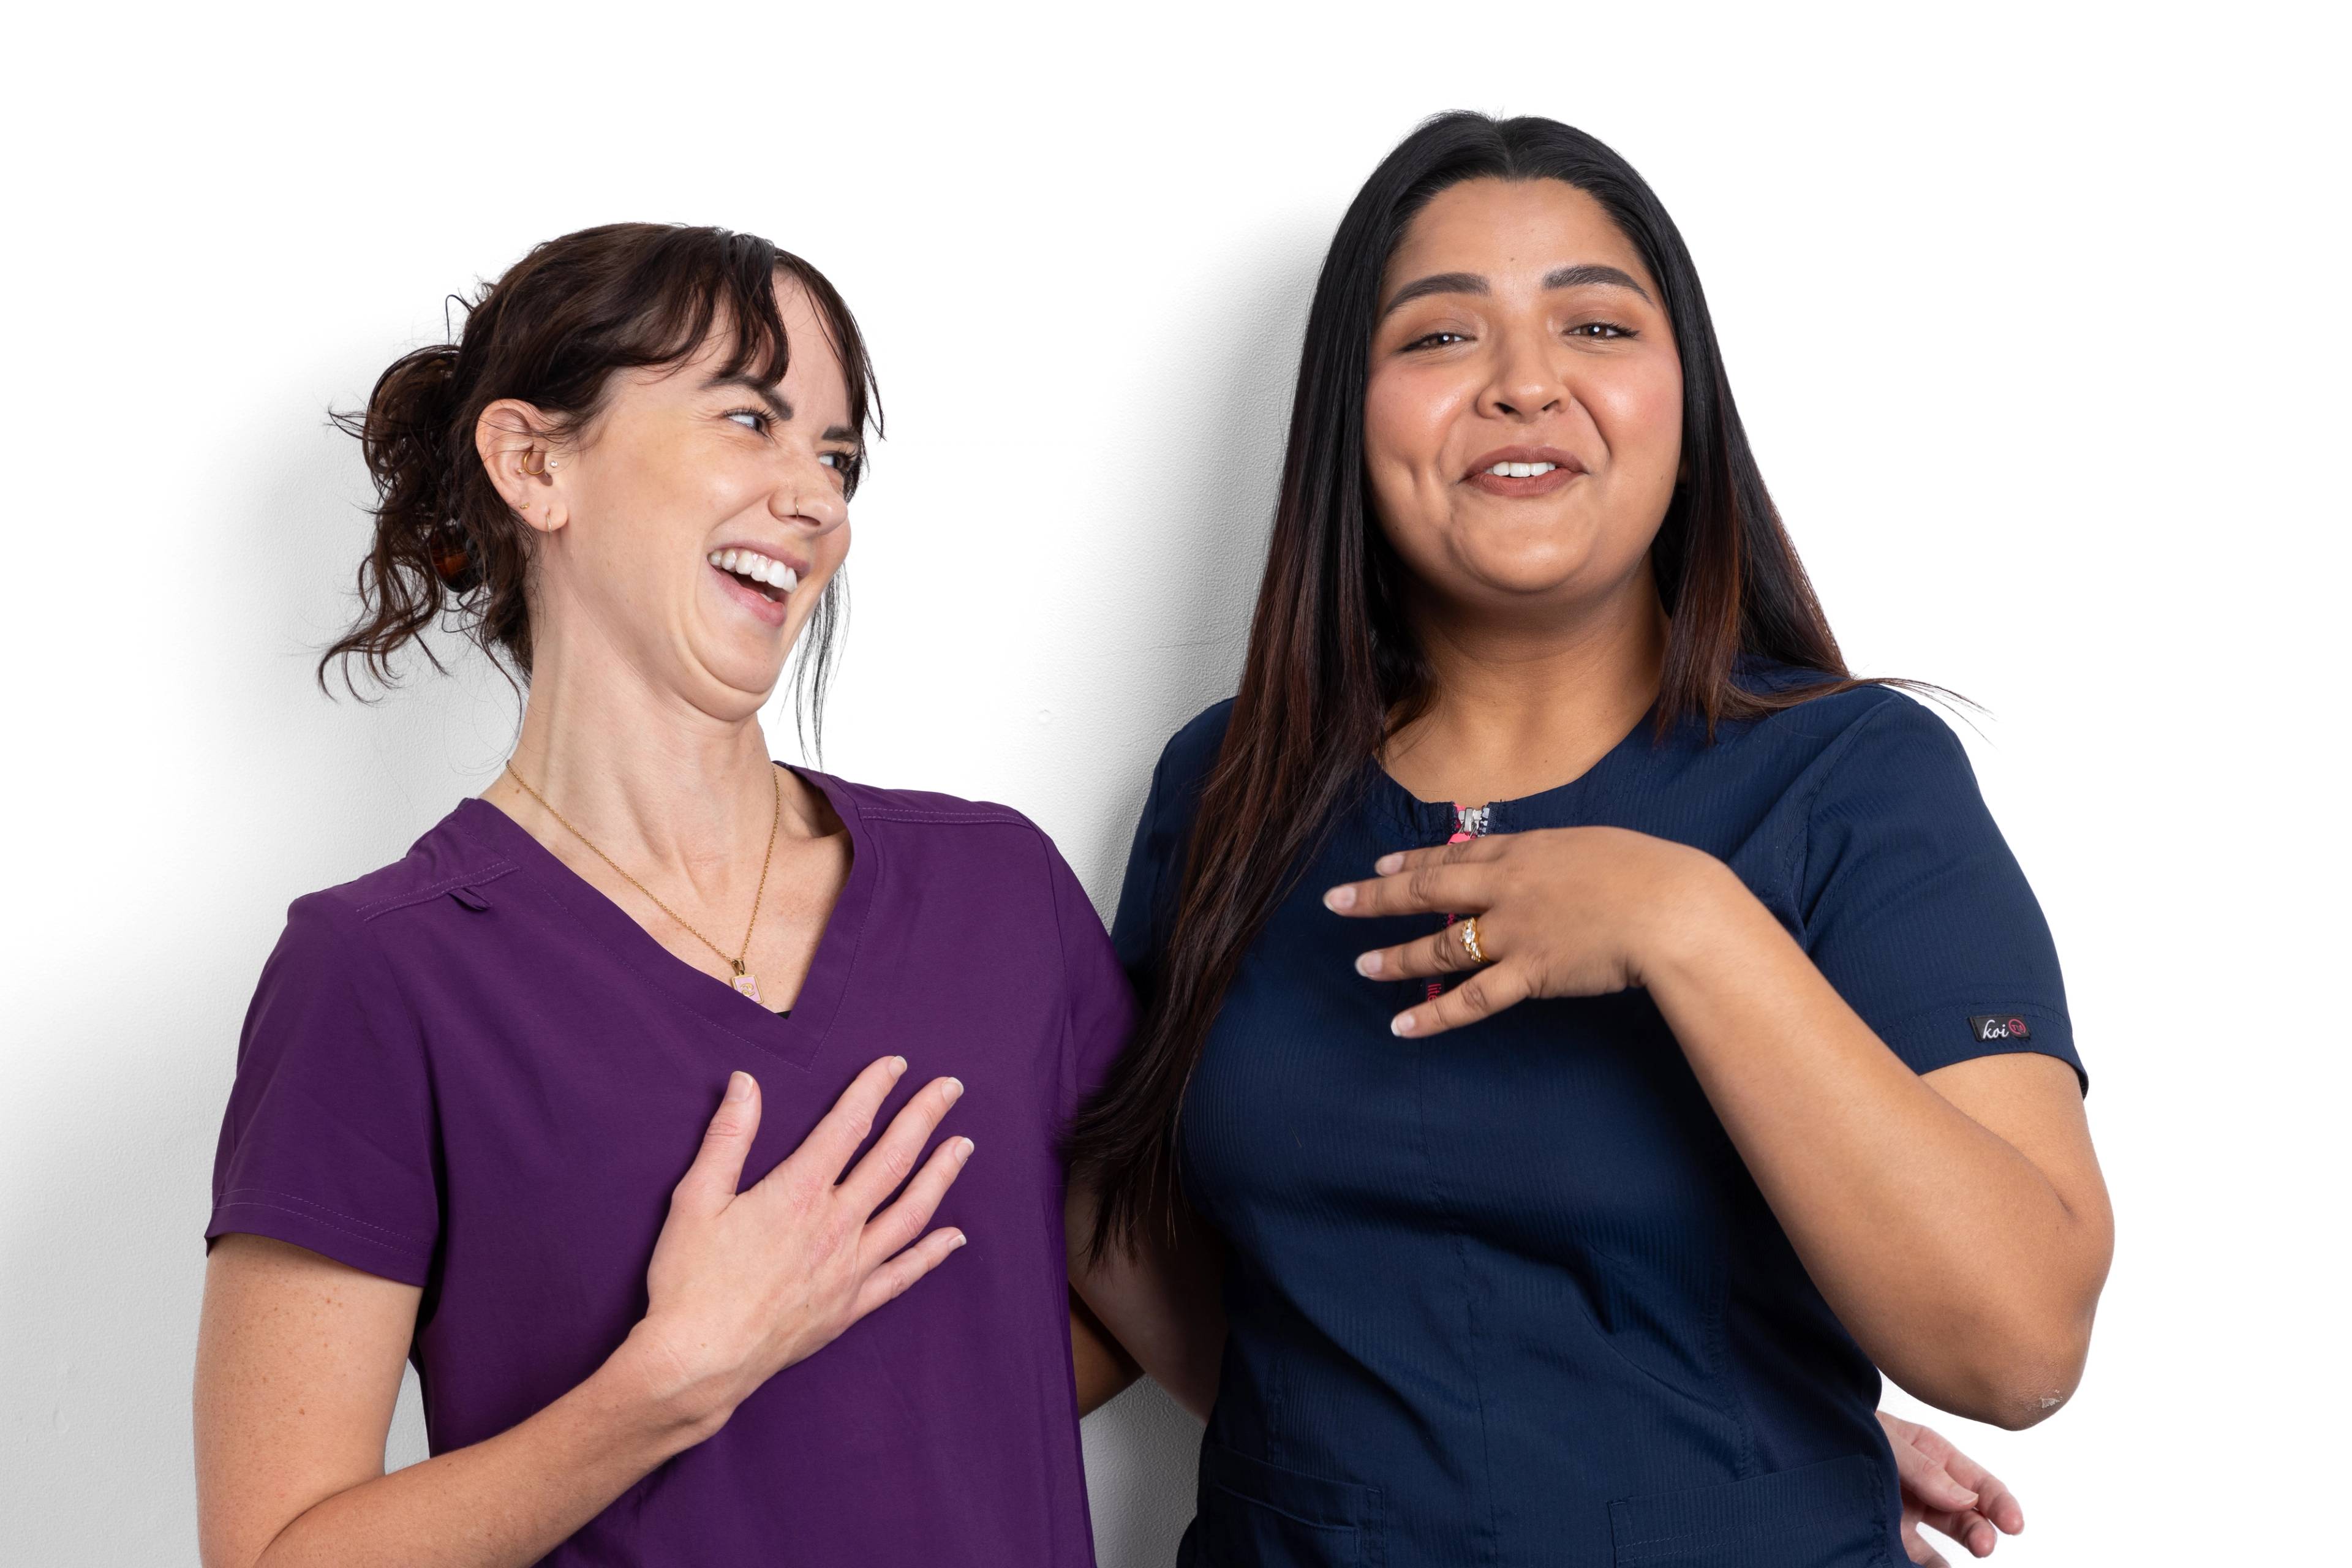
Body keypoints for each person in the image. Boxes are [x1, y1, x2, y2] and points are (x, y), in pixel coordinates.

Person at [1068, 113, 2110, 1568]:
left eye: (1597, 325)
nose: (1523, 382)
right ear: (1347, 419)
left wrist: (1685, 924)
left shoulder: (1856, 779)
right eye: (1441, 337)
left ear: (1687, 407)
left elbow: (2020, 1345)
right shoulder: (1226, 787)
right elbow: (1130, 1241)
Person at [193, 223, 1140, 1567]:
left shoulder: (997, 894)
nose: (818, 500)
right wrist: (675, 1381)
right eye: (750, 418)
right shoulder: (380, 974)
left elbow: (1148, 1310)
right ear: (535, 464)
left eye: (837, 456)